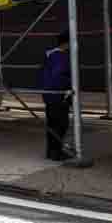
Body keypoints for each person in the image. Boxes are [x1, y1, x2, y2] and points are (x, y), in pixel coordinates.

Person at [40, 32, 72, 162]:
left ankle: (51, 151)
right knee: (61, 124)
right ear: (67, 43)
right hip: (58, 94)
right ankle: (57, 152)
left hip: (49, 94)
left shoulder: (50, 56)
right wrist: (68, 88)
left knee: (52, 123)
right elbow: (59, 75)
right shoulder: (61, 57)